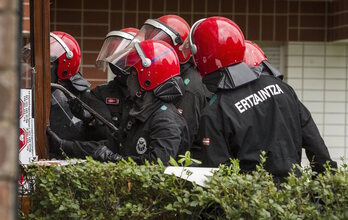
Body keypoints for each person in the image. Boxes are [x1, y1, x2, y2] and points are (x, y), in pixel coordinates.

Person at [187, 16, 337, 178]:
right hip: (295, 195)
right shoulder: (280, 87)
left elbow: (218, 175)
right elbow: (316, 146)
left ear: (202, 57)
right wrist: (326, 190)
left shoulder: (215, 111)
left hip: (249, 200)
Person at [47, 40, 190, 165]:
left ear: (148, 80)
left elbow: (157, 165)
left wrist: (114, 159)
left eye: (133, 75)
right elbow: (109, 146)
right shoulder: (141, 114)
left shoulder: (166, 120)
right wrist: (63, 145)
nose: (128, 80)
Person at [131, 15, 209, 158]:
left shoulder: (190, 87)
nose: (154, 47)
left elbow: (182, 142)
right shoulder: (174, 78)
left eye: (160, 42)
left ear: (176, 47)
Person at [71, 28, 140, 141]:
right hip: (105, 154)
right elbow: (100, 134)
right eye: (113, 58)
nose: (116, 64)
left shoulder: (149, 96)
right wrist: (87, 118)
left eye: (120, 60)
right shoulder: (99, 94)